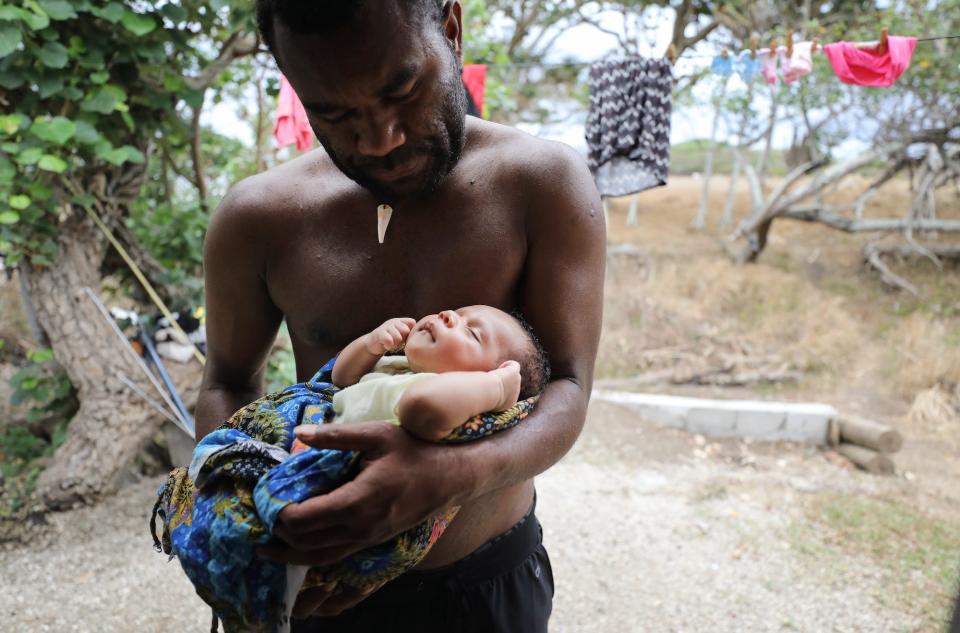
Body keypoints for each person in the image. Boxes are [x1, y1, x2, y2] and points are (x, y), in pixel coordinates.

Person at [196, 0, 605, 630]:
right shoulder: (259, 219)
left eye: (402, 88)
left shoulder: (542, 184)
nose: (381, 139)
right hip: (311, 586)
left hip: (482, 587)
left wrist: (454, 475)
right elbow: (226, 381)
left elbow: (569, 386)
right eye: (335, 113)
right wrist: (230, 534)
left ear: (450, 28)